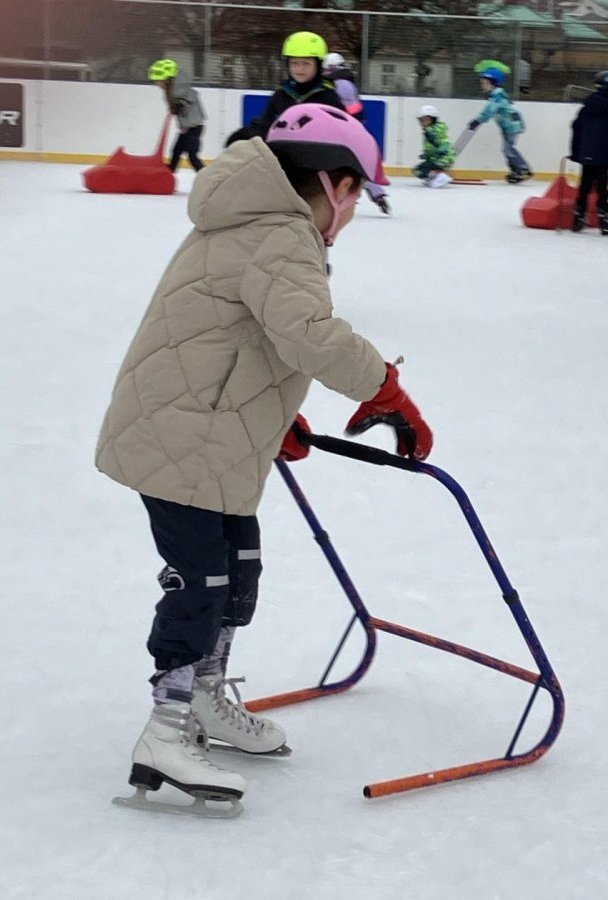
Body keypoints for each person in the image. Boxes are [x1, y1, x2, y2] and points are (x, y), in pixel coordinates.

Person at [98, 104, 433, 816]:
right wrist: (386, 389)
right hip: (184, 437)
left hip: (208, 429)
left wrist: (275, 415)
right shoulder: (281, 234)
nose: (353, 214)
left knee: (238, 567)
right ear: (339, 186)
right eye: (357, 198)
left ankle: (206, 697)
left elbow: (239, 332)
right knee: (202, 580)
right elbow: (308, 333)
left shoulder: (253, 220)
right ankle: (165, 730)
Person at [225, 31, 344, 145]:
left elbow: (341, 132)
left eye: (306, 63)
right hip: (282, 155)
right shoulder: (281, 96)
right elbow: (265, 125)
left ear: (318, 65)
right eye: (294, 63)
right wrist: (246, 135)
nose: (300, 69)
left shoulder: (329, 98)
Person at [322, 52, 391, 215]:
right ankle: (377, 194)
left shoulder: (339, 85)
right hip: (347, 129)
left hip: (341, 130)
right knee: (357, 164)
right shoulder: (344, 83)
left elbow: (352, 109)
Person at [570, 71, 608, 235]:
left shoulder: (587, 106)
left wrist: (575, 151)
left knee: (585, 184)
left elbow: (576, 128)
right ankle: (603, 217)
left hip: (586, 152)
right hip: (603, 153)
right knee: (602, 186)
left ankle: (579, 213)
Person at [469, 66, 531, 183]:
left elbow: (489, 110)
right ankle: (516, 170)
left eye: (484, 83)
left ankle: (523, 169)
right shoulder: (496, 95)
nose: (482, 86)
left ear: (492, 83)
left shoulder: (497, 95)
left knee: (508, 149)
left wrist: (478, 121)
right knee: (506, 149)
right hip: (508, 126)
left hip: (512, 125)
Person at [148, 59, 205, 173]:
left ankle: (207, 176)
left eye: (158, 81)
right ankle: (169, 173)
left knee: (192, 156)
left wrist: (181, 104)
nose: (157, 84)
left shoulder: (178, 90)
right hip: (187, 127)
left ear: (166, 79)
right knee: (176, 151)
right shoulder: (171, 91)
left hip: (194, 127)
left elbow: (192, 98)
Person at [414, 105, 456, 187]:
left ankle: (439, 176)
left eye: (425, 120)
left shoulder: (434, 129)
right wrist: (426, 155)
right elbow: (433, 146)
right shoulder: (429, 130)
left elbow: (436, 138)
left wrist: (429, 132)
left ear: (433, 119)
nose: (422, 123)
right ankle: (433, 177)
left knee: (418, 170)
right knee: (421, 168)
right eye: (420, 120)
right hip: (439, 159)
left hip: (443, 159)